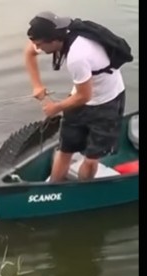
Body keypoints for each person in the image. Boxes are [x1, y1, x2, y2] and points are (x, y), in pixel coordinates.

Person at [24, 11, 129, 182]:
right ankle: (53, 189)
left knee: (90, 158)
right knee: (65, 149)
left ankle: (80, 191)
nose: (38, 48)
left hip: (107, 101)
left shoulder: (77, 57)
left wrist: (55, 108)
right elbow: (29, 52)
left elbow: (84, 97)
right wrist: (37, 85)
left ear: (53, 40)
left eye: (40, 44)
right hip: (80, 97)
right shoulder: (59, 34)